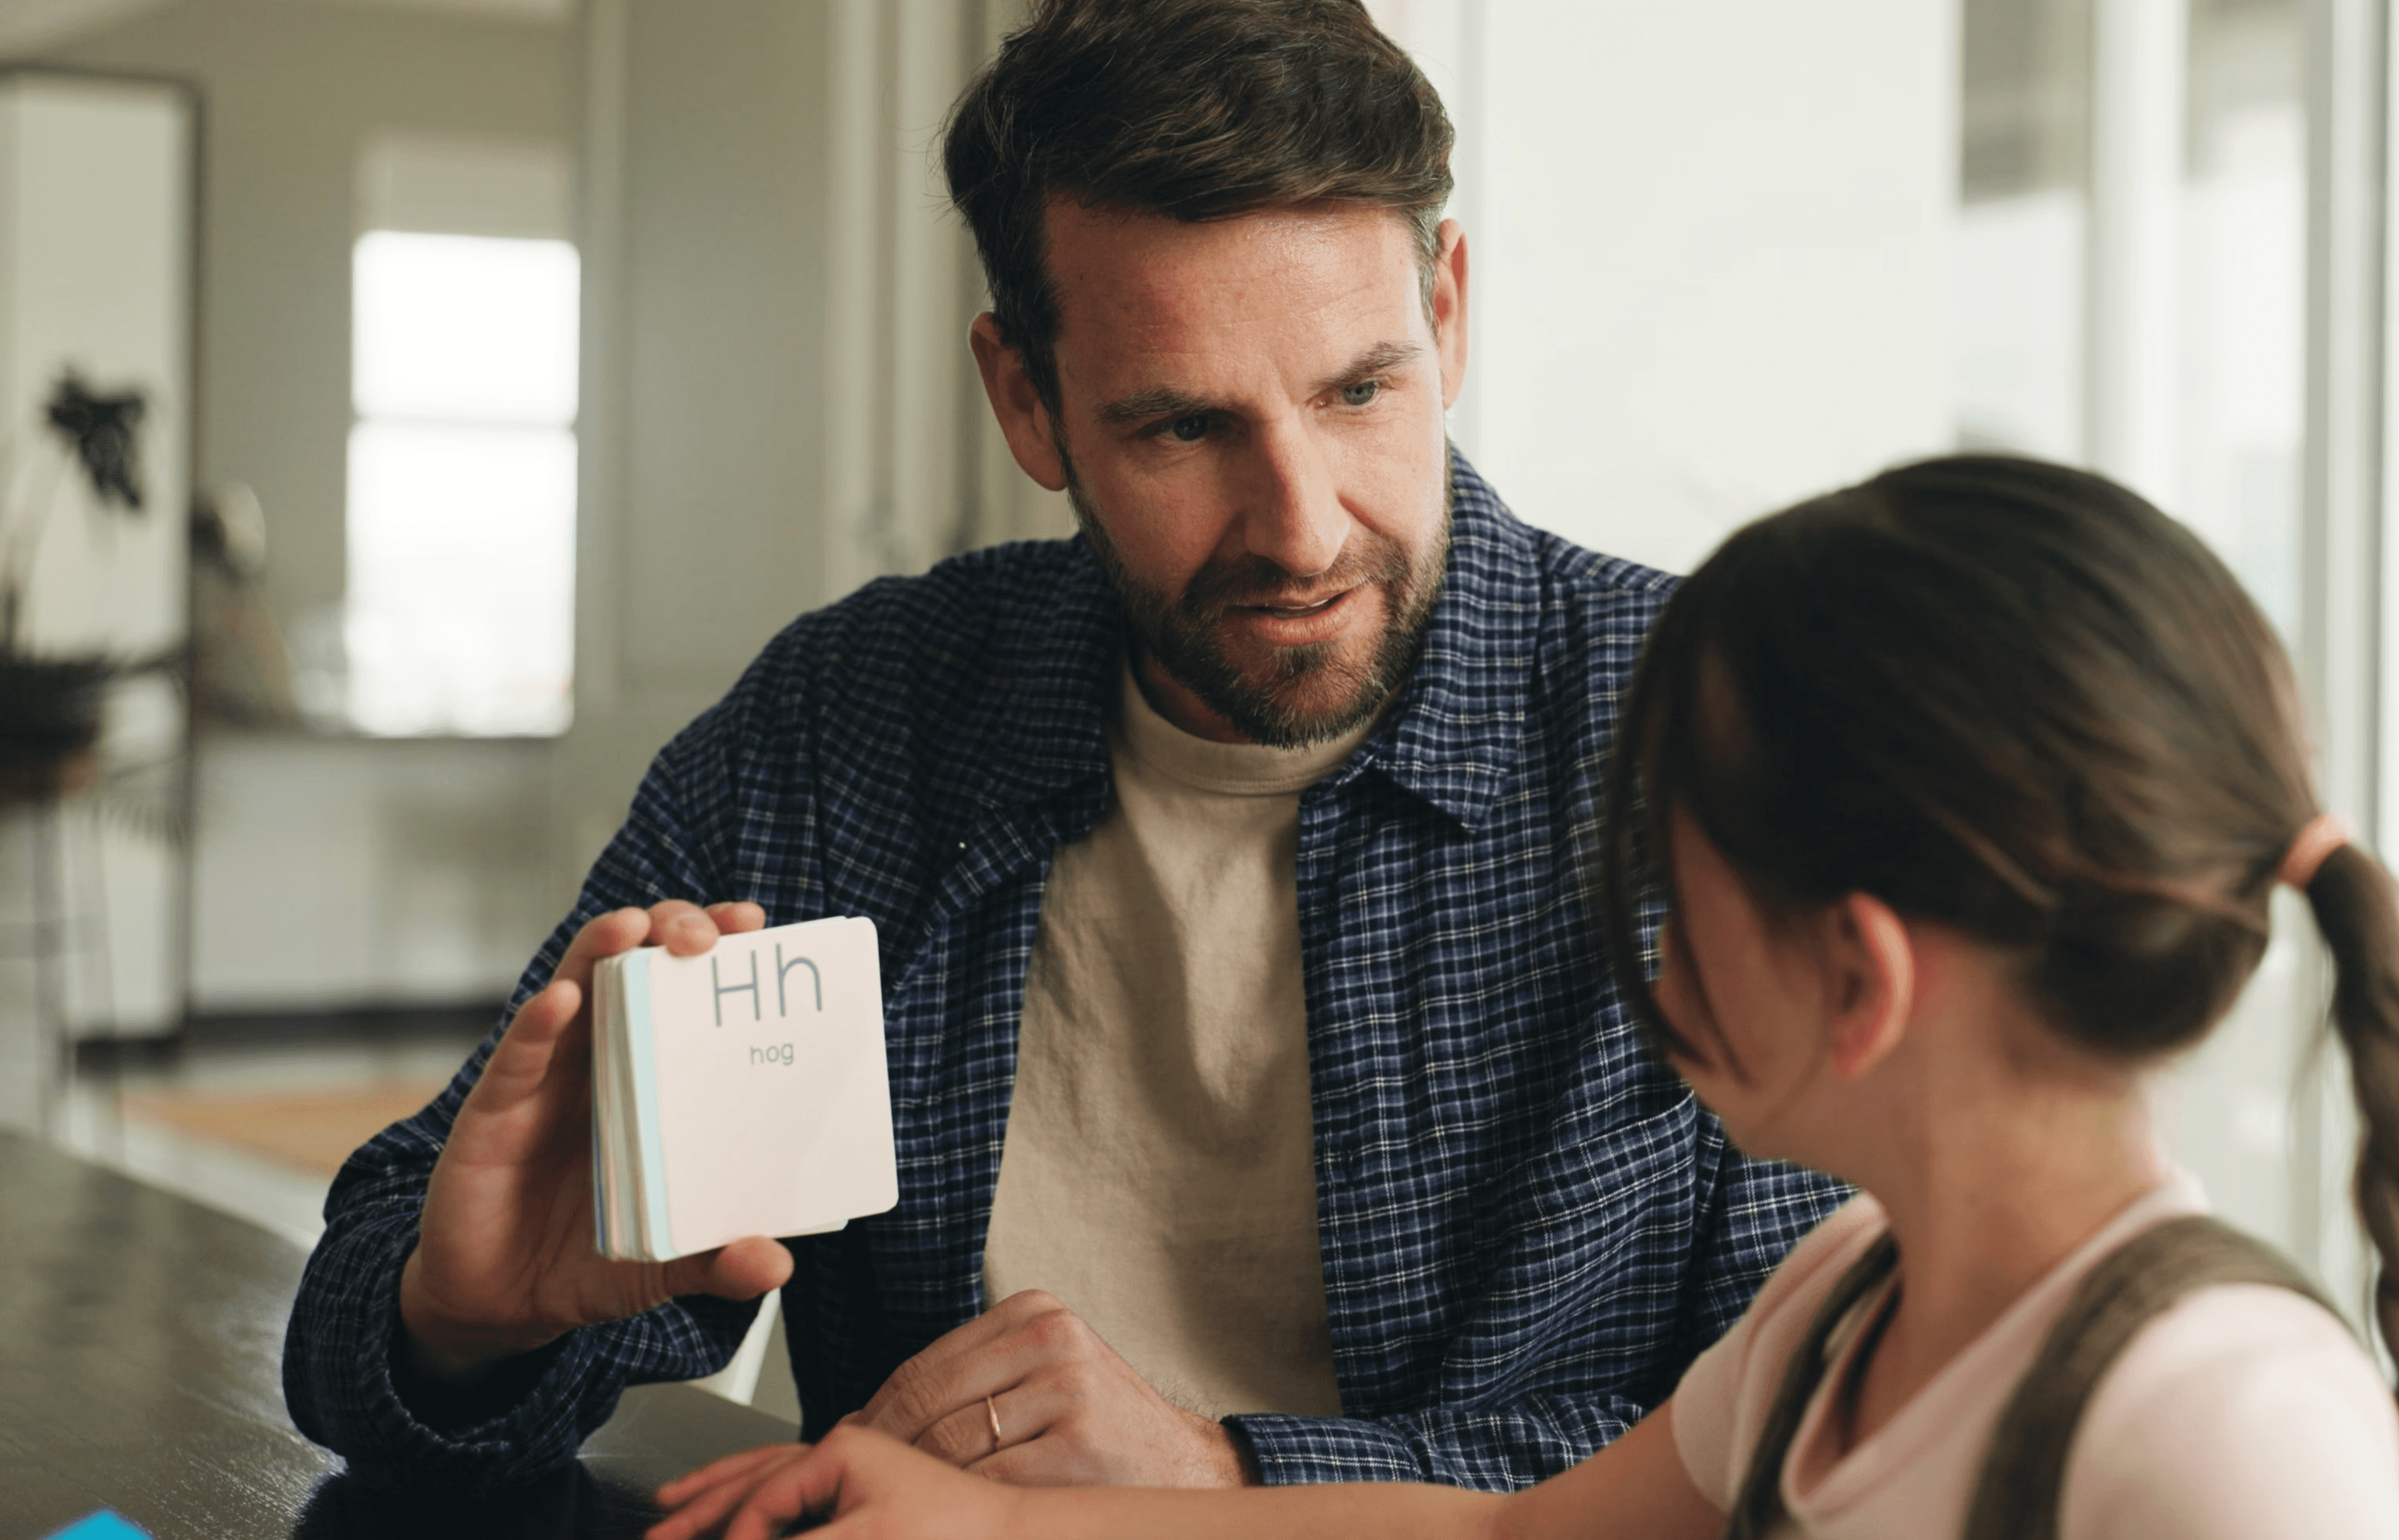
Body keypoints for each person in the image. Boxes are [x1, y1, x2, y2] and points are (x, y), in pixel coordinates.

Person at [279, 0, 1843, 1494]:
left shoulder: (1711, 727)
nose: (1302, 528)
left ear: (1441, 307)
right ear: (1027, 401)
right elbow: (380, 1355)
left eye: (1358, 390)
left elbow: (1837, 1424)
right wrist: (465, 1319)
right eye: (1181, 428)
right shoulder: (847, 728)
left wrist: (1231, 1477)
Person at [647, 455, 2399, 1539]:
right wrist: (979, 1524)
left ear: (1850, 976)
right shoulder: (1840, 1304)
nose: (1630, 944)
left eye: (1665, 882)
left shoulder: (2225, 1432)